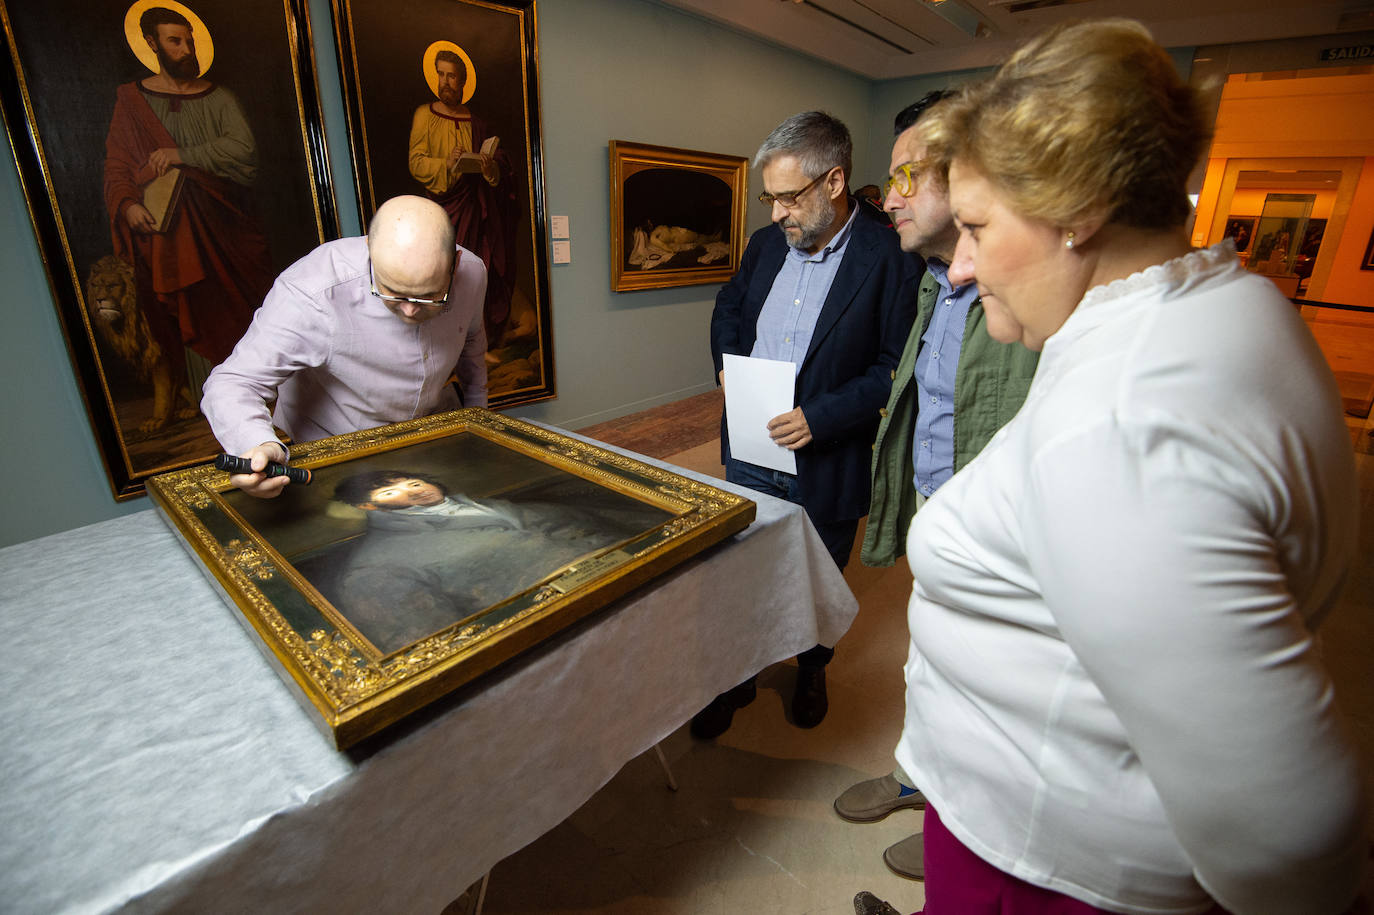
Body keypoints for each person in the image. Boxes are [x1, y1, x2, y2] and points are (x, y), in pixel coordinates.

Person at [857, 19, 1367, 914]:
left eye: (976, 226)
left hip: (1052, 863)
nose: (963, 268)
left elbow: (1291, 832)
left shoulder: (1119, 428)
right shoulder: (1229, 301)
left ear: (1081, 210)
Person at [832, 91, 1040, 881]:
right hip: (936, 511)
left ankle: (966, 826)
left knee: (988, 686)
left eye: (910, 173)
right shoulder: (934, 281)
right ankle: (921, 778)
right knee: (931, 660)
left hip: (992, 533)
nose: (891, 196)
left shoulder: (1024, 296)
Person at [705, 111, 916, 736]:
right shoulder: (768, 244)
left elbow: (892, 366)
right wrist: (724, 365)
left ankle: (812, 666)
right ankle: (738, 673)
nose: (776, 213)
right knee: (743, 569)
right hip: (749, 446)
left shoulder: (890, 256)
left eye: (788, 197)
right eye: (769, 198)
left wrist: (820, 417)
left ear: (833, 182)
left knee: (818, 575)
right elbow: (728, 305)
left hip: (826, 455)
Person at [201, 195, 488, 497]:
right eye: (392, 293)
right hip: (329, 448)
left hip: (424, 441)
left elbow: (472, 343)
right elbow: (233, 382)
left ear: (454, 266)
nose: (410, 311)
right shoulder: (313, 291)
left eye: (428, 297)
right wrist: (257, 444)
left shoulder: (473, 272)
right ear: (369, 251)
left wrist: (478, 420)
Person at [103, 6, 275, 390]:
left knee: (237, 309)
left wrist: (182, 155)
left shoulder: (219, 98)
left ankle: (258, 390)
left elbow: (243, 151)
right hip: (169, 234)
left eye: (189, 41)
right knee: (187, 306)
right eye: (174, 41)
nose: (185, 50)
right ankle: (205, 397)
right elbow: (116, 164)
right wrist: (128, 204)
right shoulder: (132, 102)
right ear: (151, 43)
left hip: (224, 225)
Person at [315, 470, 663, 654]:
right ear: (369, 507)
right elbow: (437, 650)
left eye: (414, 482)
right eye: (392, 492)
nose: (413, 490)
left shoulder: (488, 506)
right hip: (569, 630)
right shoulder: (376, 564)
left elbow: (583, 520)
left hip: (636, 570)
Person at [408, 48, 518, 355]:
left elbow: (500, 167)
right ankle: (449, 347)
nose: (445, 81)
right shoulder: (424, 115)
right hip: (443, 208)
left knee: (477, 276)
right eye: (440, 74)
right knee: (448, 277)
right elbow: (416, 162)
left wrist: (488, 166)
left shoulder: (477, 122)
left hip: (476, 208)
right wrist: (446, 162)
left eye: (451, 75)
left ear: (462, 80)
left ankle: (478, 342)